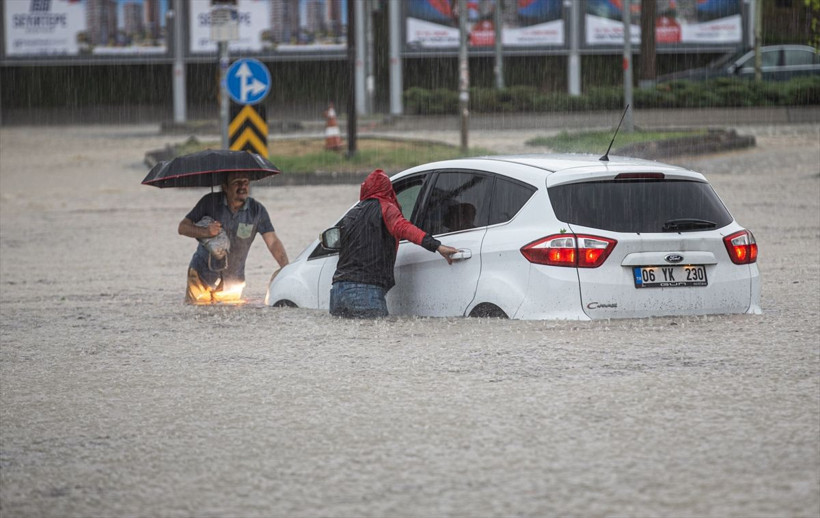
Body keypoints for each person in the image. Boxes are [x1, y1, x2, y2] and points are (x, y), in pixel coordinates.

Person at [330, 169, 458, 318]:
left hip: (337, 292)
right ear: (388, 190)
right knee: (376, 339)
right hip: (364, 291)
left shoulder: (351, 214)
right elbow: (404, 228)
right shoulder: (386, 207)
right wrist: (437, 246)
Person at [178, 171, 289, 304]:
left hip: (233, 281)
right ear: (225, 187)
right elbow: (183, 227)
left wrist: (286, 268)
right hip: (201, 277)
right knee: (198, 318)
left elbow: (273, 242)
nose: (242, 187)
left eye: (246, 183)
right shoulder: (209, 202)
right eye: (236, 183)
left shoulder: (257, 211)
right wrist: (206, 231)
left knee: (229, 322)